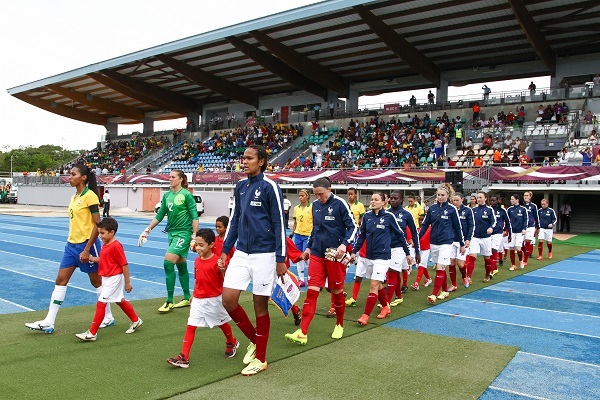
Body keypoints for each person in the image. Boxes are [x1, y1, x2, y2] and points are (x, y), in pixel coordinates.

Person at [219, 145, 286, 376]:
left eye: (249, 158)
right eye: (243, 158)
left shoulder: (271, 187)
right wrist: (225, 250)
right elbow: (235, 219)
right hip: (242, 252)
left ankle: (262, 359)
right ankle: (254, 340)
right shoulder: (240, 186)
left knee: (260, 305)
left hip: (265, 254)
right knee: (228, 299)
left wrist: (280, 258)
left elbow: (279, 224)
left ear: (262, 161)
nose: (244, 162)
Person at [26, 164, 114, 334]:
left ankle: (108, 316)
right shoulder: (74, 197)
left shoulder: (90, 196)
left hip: (86, 245)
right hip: (71, 246)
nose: (69, 177)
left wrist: (88, 249)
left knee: (96, 282)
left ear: (83, 178)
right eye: (69, 174)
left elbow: (98, 225)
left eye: (73, 174)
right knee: (60, 280)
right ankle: (49, 322)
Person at [285, 177, 357, 345]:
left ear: (329, 189)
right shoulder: (315, 206)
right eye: (316, 195)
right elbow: (315, 230)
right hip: (317, 253)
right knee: (312, 291)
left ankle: (339, 324)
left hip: (335, 255)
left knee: (337, 291)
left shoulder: (340, 204)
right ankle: (302, 332)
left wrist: (344, 245)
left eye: (321, 194)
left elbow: (353, 227)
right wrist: (309, 248)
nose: (319, 198)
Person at [166, 228, 239, 368]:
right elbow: (198, 279)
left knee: (221, 322)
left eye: (201, 245)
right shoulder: (197, 261)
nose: (197, 248)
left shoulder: (217, 262)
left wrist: (223, 270)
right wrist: (194, 294)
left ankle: (232, 342)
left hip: (214, 299)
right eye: (196, 245)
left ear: (211, 245)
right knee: (191, 326)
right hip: (199, 299)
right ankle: (184, 357)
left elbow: (226, 280)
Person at [138, 169, 199, 312]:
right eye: (169, 177)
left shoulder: (186, 195)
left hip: (183, 234)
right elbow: (160, 215)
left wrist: (194, 237)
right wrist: (147, 230)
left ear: (181, 179)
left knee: (168, 262)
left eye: (172, 177)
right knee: (181, 264)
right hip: (172, 234)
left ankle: (169, 301)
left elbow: (195, 217)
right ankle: (186, 297)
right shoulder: (167, 196)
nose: (169, 179)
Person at [75, 217, 142, 341]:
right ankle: (136, 320)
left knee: (101, 303)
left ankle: (92, 333)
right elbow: (104, 260)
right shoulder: (106, 245)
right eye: (99, 233)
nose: (100, 236)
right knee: (119, 300)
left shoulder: (116, 246)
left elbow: (124, 264)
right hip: (106, 278)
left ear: (112, 232)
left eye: (102, 233)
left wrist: (127, 282)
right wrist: (92, 258)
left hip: (114, 278)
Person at [350, 192, 411, 325]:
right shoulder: (367, 216)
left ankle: (365, 316)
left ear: (383, 202)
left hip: (383, 257)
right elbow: (362, 236)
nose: (373, 202)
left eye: (376, 200)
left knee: (373, 285)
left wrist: (407, 253)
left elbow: (400, 235)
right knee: (377, 286)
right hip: (369, 257)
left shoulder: (389, 217)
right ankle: (385, 307)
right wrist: (354, 251)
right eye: (372, 199)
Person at [419, 183, 465, 304]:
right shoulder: (432, 208)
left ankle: (434, 294)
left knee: (440, 267)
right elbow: (425, 225)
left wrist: (462, 243)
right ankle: (445, 290)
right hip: (434, 242)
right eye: (438, 195)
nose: (440, 197)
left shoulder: (452, 209)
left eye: (442, 195)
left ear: (448, 195)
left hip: (446, 242)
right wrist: (418, 238)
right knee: (441, 268)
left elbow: (457, 227)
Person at [386, 190, 420, 303]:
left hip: (400, 248)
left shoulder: (406, 214)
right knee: (392, 273)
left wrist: (417, 252)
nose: (393, 200)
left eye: (396, 198)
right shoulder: (386, 213)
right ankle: (399, 296)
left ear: (401, 200)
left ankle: (386, 303)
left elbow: (414, 233)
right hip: (386, 247)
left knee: (392, 272)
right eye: (391, 198)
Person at [345, 187, 366, 307]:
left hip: (356, 231)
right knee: (350, 251)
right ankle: (354, 264)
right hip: (347, 231)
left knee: (355, 249)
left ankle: (356, 263)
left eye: (352, 194)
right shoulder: (346, 205)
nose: (350, 196)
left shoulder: (360, 206)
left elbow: (362, 218)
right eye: (349, 194)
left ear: (356, 195)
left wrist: (360, 227)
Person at [449, 192, 474, 290]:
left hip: (462, 241)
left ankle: (464, 277)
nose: (455, 202)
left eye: (457, 200)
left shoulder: (467, 210)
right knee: (451, 262)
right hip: (451, 240)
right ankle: (453, 285)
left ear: (462, 200)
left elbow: (471, 225)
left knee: (460, 264)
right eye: (453, 200)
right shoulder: (450, 210)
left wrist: (468, 239)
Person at [291, 189, 313, 287]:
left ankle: (311, 278)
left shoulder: (312, 207)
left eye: (302, 195)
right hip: (298, 235)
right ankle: (301, 279)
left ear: (307, 196)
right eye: (299, 196)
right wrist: (292, 234)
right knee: (298, 257)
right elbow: (295, 222)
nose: (300, 197)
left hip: (308, 235)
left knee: (307, 257)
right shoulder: (296, 208)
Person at [489, 195, 512, 275]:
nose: (492, 202)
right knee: (489, 252)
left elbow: (508, 222)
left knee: (494, 250)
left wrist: (508, 232)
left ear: (498, 200)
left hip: (498, 233)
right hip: (489, 233)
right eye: (491, 201)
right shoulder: (488, 210)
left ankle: (492, 270)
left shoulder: (502, 211)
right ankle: (494, 267)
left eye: (493, 200)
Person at [506, 194, 528, 270]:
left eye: (512, 199)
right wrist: (506, 230)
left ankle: (521, 260)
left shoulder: (523, 209)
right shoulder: (509, 209)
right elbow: (507, 221)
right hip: (512, 232)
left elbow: (525, 220)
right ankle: (513, 265)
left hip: (520, 232)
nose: (511, 200)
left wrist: (524, 228)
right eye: (511, 199)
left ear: (517, 200)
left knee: (518, 248)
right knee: (511, 248)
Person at [522, 191, 539, 267]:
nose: (525, 197)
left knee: (528, 242)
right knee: (521, 244)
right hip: (521, 227)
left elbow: (536, 217)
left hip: (530, 226)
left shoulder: (533, 206)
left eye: (527, 195)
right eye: (524, 195)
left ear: (530, 197)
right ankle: (526, 253)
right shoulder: (521, 205)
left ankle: (525, 260)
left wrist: (538, 227)